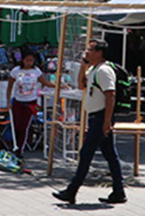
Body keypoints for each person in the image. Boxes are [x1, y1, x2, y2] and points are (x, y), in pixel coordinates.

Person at [52, 39, 126, 205]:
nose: (86, 52)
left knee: (86, 153)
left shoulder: (104, 71)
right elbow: (81, 85)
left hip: (101, 117)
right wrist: (83, 67)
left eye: (90, 50)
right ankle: (119, 191)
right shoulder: (94, 69)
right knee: (110, 154)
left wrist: (107, 121)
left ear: (99, 52)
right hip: (95, 117)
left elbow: (110, 95)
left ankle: (72, 191)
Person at [7, 50, 51, 158]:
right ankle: (15, 145)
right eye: (27, 60)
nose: (29, 63)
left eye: (31, 60)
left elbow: (44, 82)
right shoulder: (16, 71)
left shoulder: (36, 71)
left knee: (24, 126)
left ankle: (20, 150)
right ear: (22, 60)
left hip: (31, 101)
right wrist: (8, 101)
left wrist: (57, 85)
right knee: (16, 125)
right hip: (18, 101)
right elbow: (10, 86)